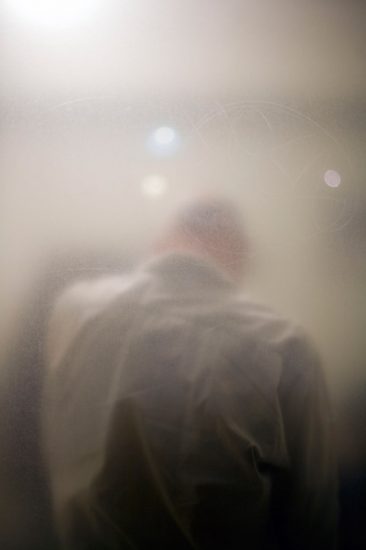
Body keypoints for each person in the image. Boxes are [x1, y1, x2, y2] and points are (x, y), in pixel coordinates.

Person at [43, 198, 338, 549]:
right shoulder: (284, 346)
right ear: (239, 253)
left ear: (160, 244)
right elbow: (313, 523)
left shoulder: (75, 312)